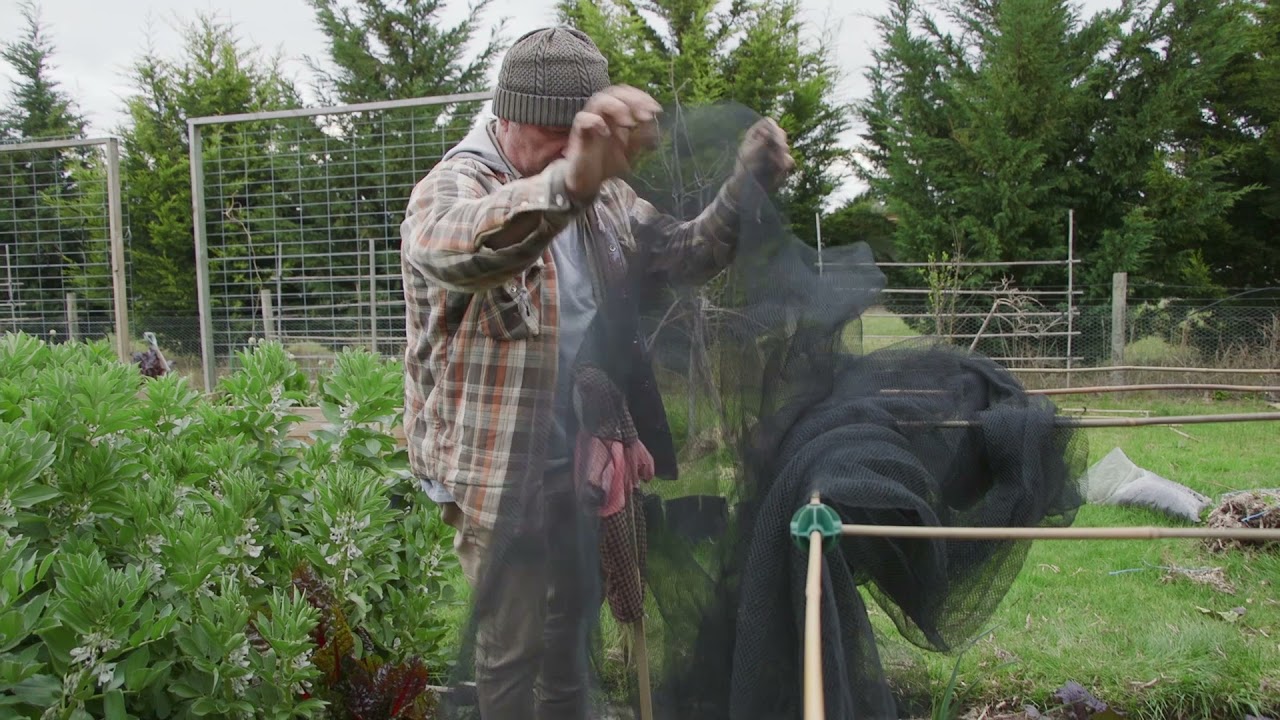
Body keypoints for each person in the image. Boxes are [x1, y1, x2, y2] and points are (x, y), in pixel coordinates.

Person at [399, 25, 794, 720]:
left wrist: (743, 192)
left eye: (578, 136)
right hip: (497, 467)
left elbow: (679, 253)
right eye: (555, 136)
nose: (567, 152)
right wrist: (569, 181)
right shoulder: (455, 187)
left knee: (570, 642)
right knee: (511, 650)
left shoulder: (601, 195)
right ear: (509, 114)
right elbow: (463, 251)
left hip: (577, 458)